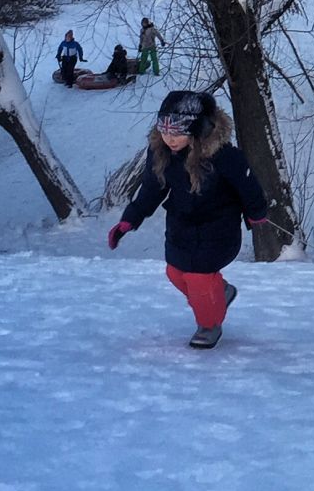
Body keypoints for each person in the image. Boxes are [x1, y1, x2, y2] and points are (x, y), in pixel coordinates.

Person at [107, 90, 268, 349]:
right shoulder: (160, 153)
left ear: (198, 128)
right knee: (175, 273)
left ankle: (209, 324)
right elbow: (152, 189)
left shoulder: (225, 156)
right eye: (164, 131)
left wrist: (256, 214)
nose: (169, 139)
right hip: (181, 226)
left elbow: (248, 186)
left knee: (199, 279)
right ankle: (221, 293)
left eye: (178, 132)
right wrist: (129, 220)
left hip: (218, 229)